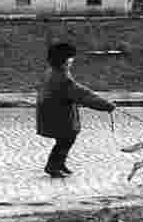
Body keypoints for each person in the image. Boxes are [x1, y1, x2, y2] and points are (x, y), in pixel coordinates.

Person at [36, 42, 115, 178]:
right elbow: (82, 95)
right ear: (63, 60)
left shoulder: (55, 72)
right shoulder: (62, 77)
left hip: (52, 111)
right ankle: (53, 167)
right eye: (70, 58)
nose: (72, 61)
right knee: (65, 139)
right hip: (58, 114)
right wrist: (106, 105)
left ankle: (59, 164)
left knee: (64, 139)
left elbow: (79, 90)